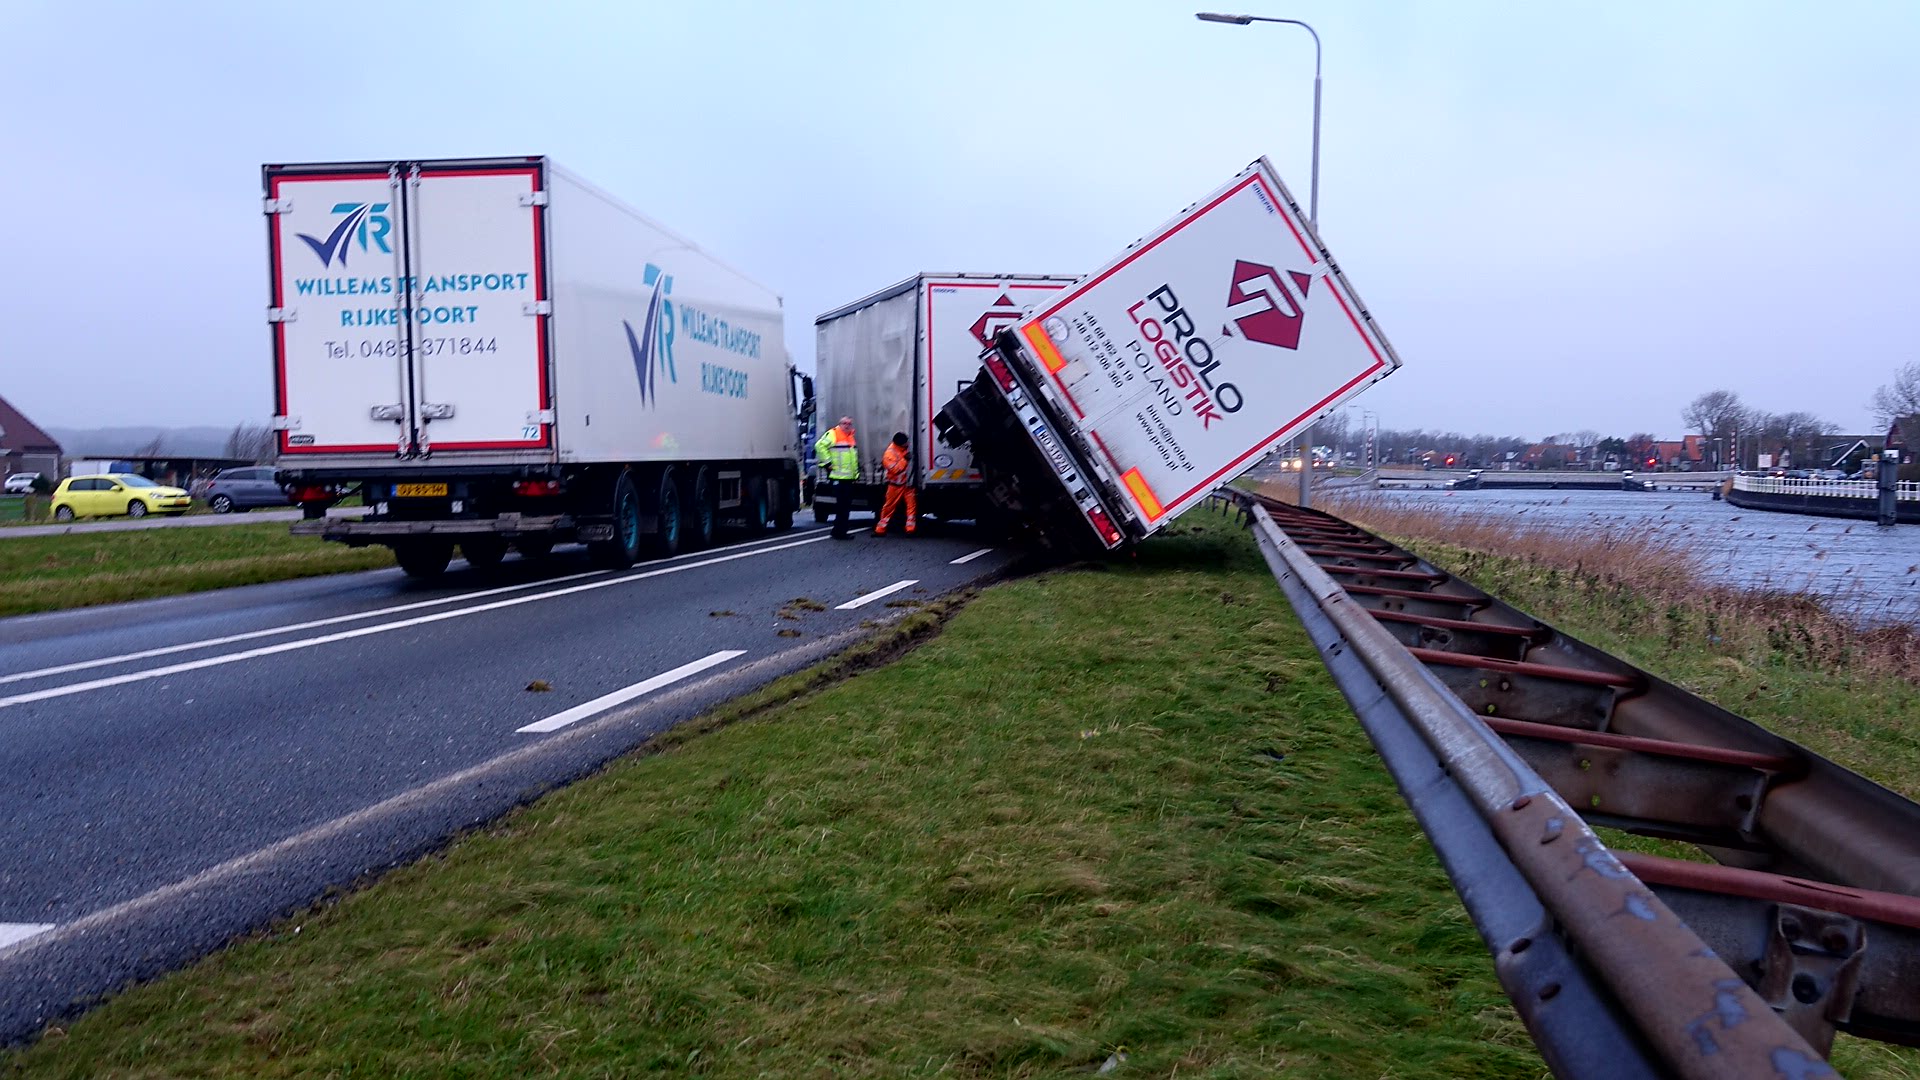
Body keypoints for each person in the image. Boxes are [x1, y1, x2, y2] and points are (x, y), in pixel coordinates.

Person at [814, 416, 859, 538]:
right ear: (840, 424)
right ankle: (840, 532)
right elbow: (819, 446)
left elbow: (852, 459)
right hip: (838, 478)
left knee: (845, 507)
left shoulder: (850, 436)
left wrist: (855, 475)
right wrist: (828, 463)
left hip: (848, 478)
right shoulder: (834, 434)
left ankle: (839, 531)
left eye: (849, 423)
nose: (847, 425)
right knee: (842, 507)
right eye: (844, 423)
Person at [874, 432, 917, 536]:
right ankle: (880, 530)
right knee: (888, 507)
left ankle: (910, 529)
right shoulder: (889, 454)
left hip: (907, 484)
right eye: (905, 443)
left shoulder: (903, 449)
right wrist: (905, 459)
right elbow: (895, 470)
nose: (907, 444)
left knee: (911, 507)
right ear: (900, 444)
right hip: (895, 485)